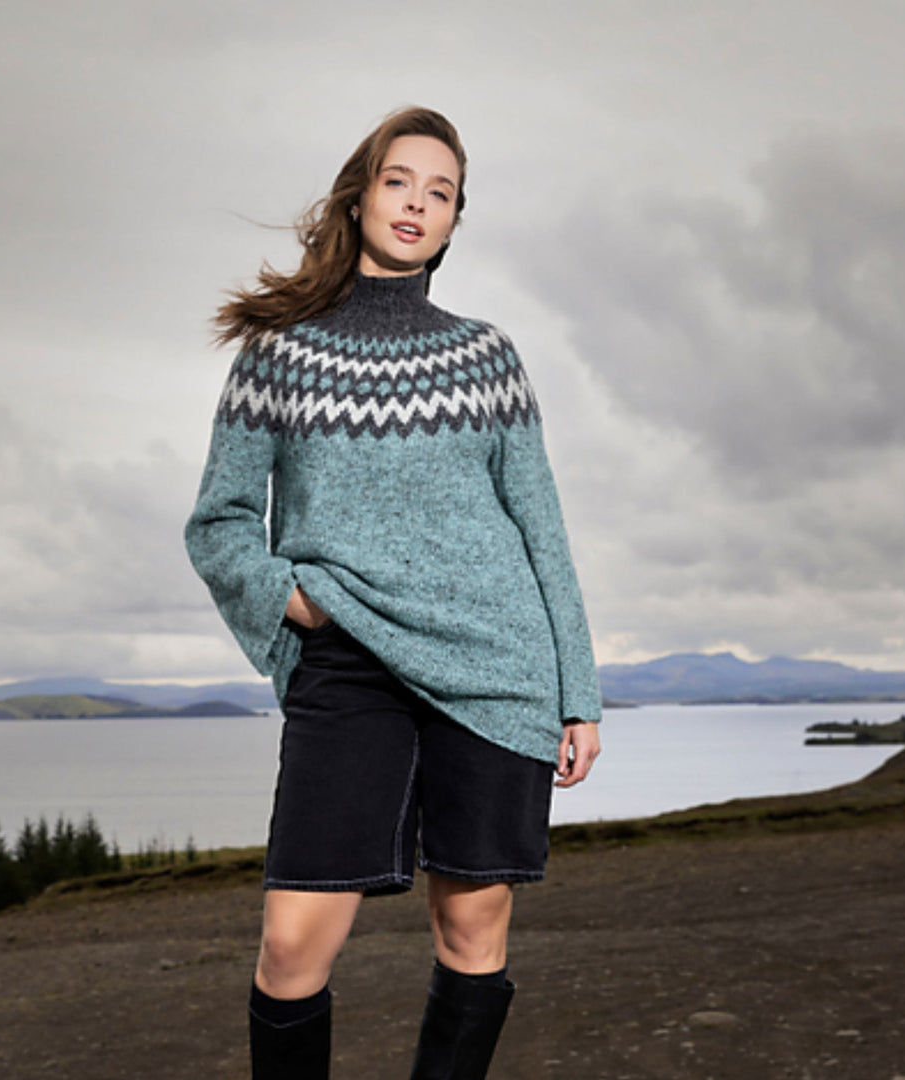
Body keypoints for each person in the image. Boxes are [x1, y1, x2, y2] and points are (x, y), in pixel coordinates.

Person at [185, 106, 601, 1080]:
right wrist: (298, 605)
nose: (418, 202)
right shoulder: (281, 353)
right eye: (400, 180)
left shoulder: (488, 357)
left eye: (441, 191)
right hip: (350, 669)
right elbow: (221, 522)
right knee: (292, 945)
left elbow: (542, 528)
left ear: (455, 223)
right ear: (359, 194)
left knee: (472, 932)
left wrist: (576, 688)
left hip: (495, 668)